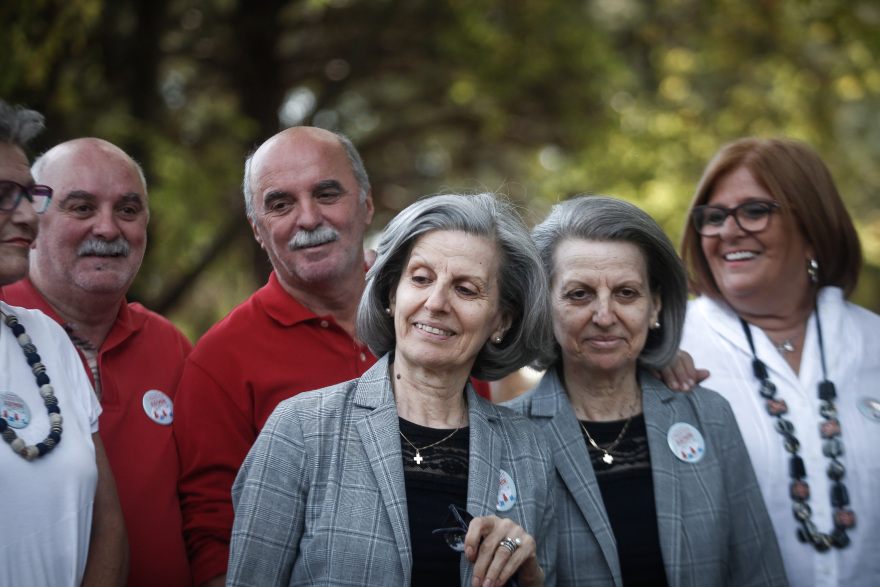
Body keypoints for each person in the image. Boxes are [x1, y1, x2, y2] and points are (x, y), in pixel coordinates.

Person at [228, 192, 556, 587]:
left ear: (501, 321)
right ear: (390, 293)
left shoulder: (530, 451)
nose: (436, 302)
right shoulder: (300, 429)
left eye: (466, 289)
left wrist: (533, 579)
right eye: (420, 278)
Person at [507, 195, 786, 586]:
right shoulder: (506, 436)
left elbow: (760, 572)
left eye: (626, 293)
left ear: (655, 305)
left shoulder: (710, 416)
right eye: (579, 294)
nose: (604, 317)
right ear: (544, 306)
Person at [679, 137, 880, 586]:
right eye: (714, 217)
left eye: (754, 211)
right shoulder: (665, 349)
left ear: (812, 226)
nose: (728, 231)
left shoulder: (874, 344)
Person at [1, 137, 193, 586]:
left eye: (127, 210)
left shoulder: (172, 347)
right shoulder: (15, 331)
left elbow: (208, 501)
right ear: (36, 219)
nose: (107, 229)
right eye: (82, 208)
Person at [0, 100, 128, 585]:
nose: (29, 219)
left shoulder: (46, 338)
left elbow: (108, 527)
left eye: (29, 197)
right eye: (2, 196)